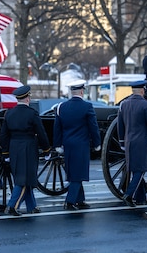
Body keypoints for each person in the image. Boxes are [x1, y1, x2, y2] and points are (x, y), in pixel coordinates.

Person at [0, 85, 51, 216]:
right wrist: (46, 150)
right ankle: (12, 206)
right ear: (27, 98)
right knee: (23, 180)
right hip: (28, 148)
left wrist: (5, 153)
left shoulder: (9, 113)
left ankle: (31, 206)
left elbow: (4, 134)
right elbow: (41, 133)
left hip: (13, 147)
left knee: (24, 176)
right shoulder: (32, 114)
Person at [53, 80, 101, 210]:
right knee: (78, 174)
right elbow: (93, 127)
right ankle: (70, 201)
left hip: (67, 144)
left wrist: (57, 144)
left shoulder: (61, 107)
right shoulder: (87, 107)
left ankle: (80, 200)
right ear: (82, 91)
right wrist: (97, 143)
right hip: (81, 144)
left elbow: (57, 128)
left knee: (74, 171)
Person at [118, 80, 147, 207]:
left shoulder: (123, 104)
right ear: (143, 90)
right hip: (142, 142)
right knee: (141, 170)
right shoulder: (146, 105)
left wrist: (122, 142)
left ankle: (141, 197)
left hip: (128, 141)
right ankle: (128, 195)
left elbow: (120, 126)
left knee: (135, 169)